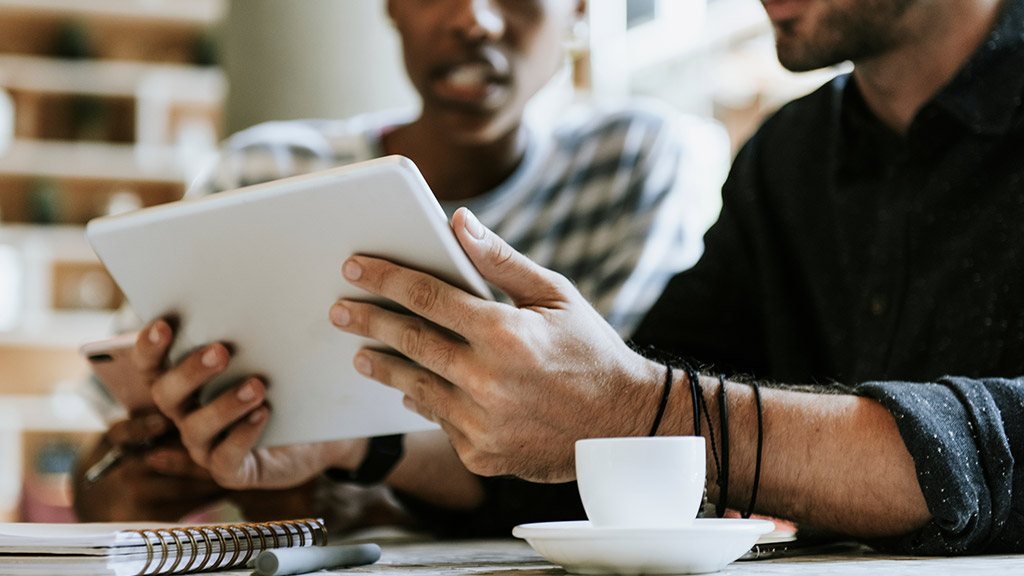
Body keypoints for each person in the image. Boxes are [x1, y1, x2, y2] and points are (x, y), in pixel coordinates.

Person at [253, 0, 1021, 554]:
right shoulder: (791, 157)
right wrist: (351, 449)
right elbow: (595, 442)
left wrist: (639, 407)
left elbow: (637, 411)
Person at [73, 0, 726, 530]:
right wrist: (125, 490)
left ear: (580, 9)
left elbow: (616, 435)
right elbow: (102, 460)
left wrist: (372, 489)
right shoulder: (260, 171)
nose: (475, 18)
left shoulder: (632, 167)